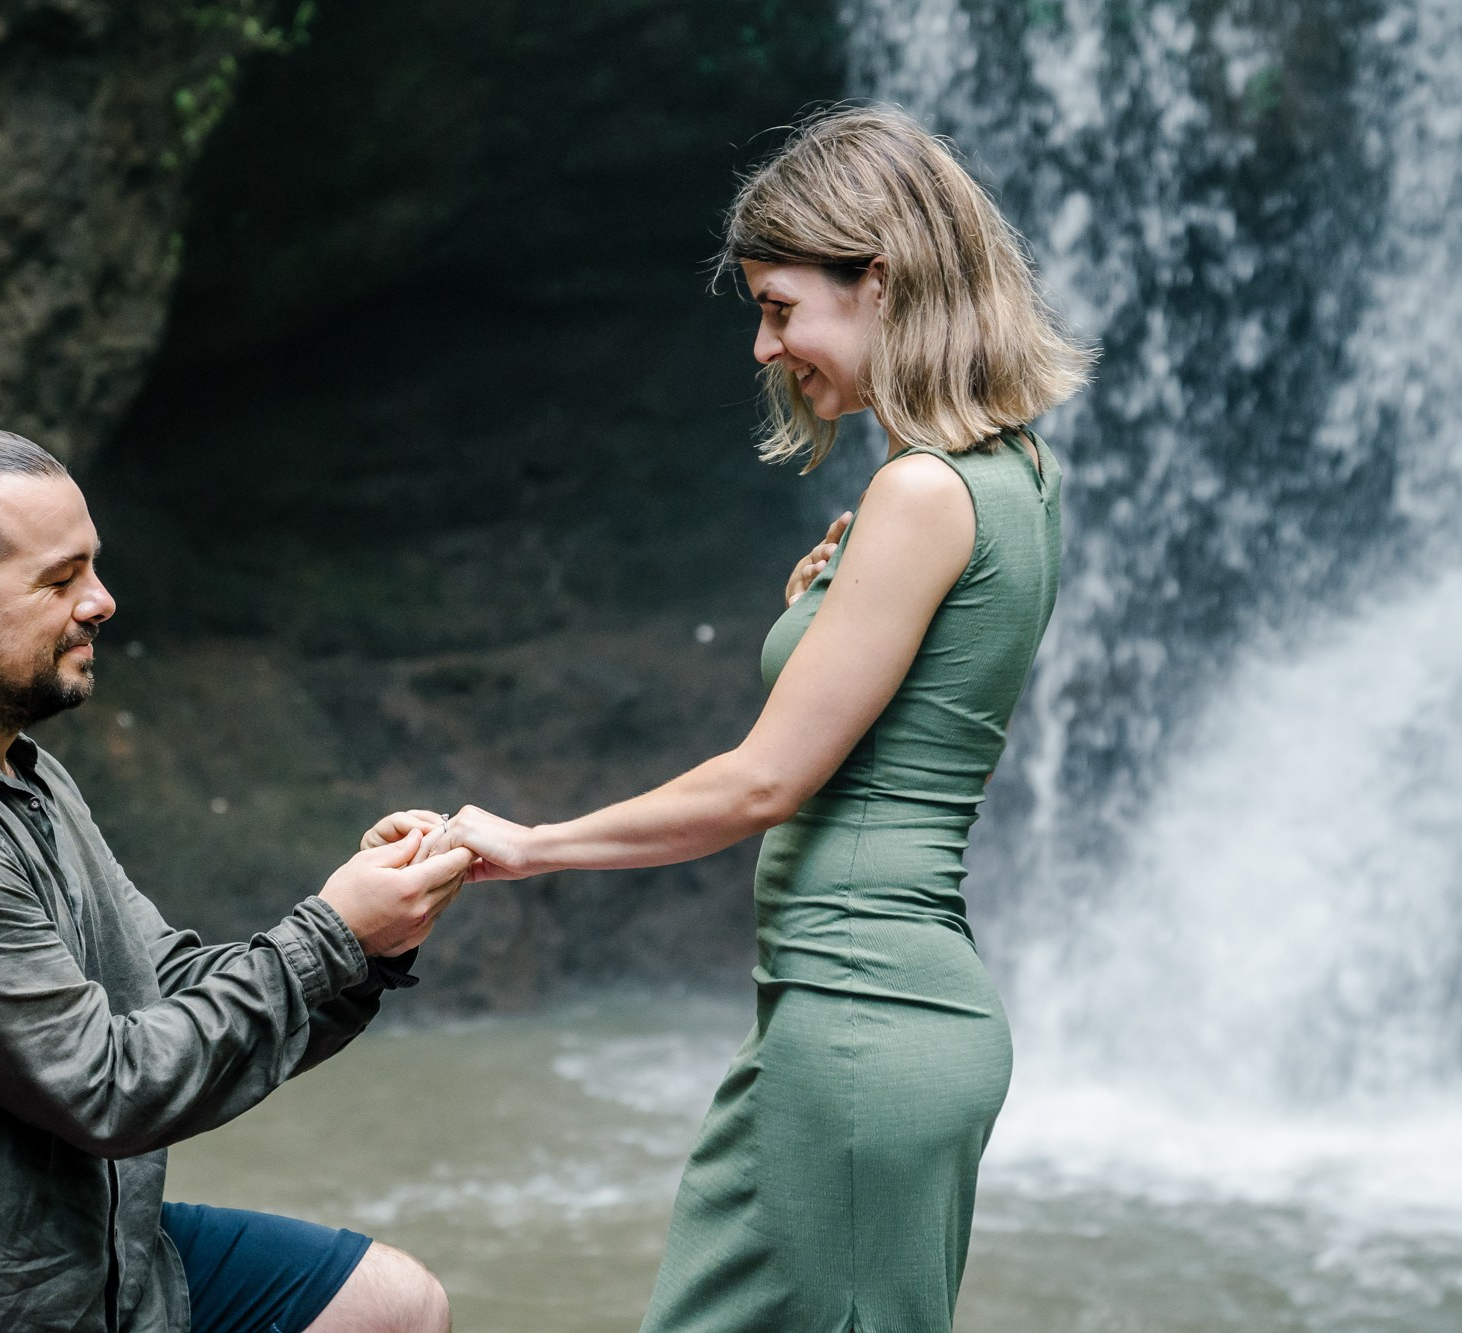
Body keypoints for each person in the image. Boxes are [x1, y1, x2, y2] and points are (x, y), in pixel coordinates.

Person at [403, 107, 1094, 1331]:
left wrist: (532, 844)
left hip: (859, 1028)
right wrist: (820, 602)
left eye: (780, 308)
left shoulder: (921, 492)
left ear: (876, 279)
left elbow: (761, 784)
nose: (765, 349)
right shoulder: (1012, 477)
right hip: (861, 1017)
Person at [0, 424, 467, 1333]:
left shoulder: (18, 773)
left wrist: (370, 940)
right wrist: (330, 934)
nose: (103, 601)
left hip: (80, 1260)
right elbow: (108, 1087)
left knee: (392, 1306)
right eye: (60, 578)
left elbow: (164, 993)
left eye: (95, 568)